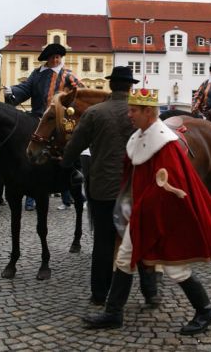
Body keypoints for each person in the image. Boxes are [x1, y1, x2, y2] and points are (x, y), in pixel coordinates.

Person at [83, 88, 211, 334]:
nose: (129, 115)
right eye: (130, 109)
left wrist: (144, 206)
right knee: (123, 259)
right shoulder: (140, 136)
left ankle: (205, 312)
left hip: (167, 216)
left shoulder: (166, 144)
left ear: (149, 112)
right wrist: (128, 203)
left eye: (134, 111)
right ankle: (113, 314)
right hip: (143, 214)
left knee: (176, 268)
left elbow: (170, 185)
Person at [62, 66, 161, 307]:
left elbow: (73, 150)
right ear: (130, 87)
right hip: (136, 188)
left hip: (103, 188)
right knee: (140, 239)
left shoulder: (94, 113)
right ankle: (150, 293)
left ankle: (99, 294)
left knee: (104, 242)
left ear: (110, 85)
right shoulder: (142, 115)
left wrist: (65, 162)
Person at [4, 43, 83, 118]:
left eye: (57, 57)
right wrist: (12, 91)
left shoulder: (68, 74)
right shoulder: (37, 73)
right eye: (52, 57)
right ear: (47, 58)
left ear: (61, 58)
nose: (55, 60)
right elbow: (26, 87)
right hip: (37, 115)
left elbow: (81, 91)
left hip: (58, 117)